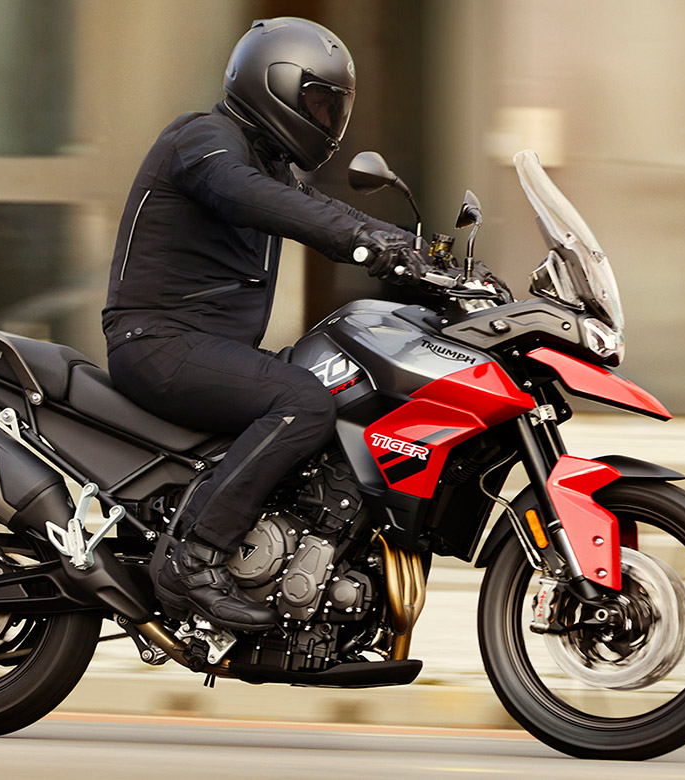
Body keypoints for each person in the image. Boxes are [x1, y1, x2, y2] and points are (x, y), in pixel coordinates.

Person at [102, 17, 422, 631]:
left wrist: (426, 254)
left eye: (335, 111)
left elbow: (319, 205)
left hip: (206, 348)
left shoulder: (271, 167)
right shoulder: (203, 140)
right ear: (271, 85)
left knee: (336, 392)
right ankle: (193, 559)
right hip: (158, 342)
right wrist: (359, 241)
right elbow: (250, 195)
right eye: (318, 105)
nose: (327, 123)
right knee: (302, 402)